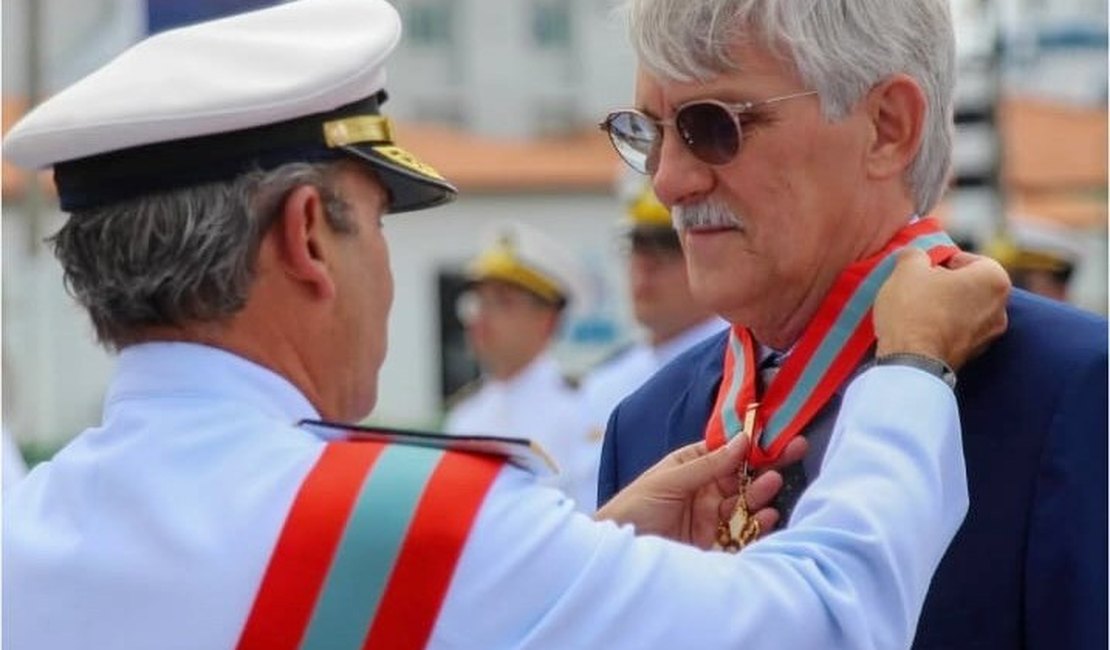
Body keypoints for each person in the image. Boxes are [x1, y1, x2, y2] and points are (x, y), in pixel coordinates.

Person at [1, 1, 1009, 648]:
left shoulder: (29, 536)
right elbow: (828, 621)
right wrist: (912, 365)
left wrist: (586, 552)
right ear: (310, 236)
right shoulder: (405, 521)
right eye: (379, 225)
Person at [595, 1, 1108, 648]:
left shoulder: (1075, 391)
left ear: (887, 128)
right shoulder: (646, 423)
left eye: (713, 126)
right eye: (651, 132)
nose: (668, 182)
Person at [444, 222, 597, 511]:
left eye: (503, 302)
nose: (482, 316)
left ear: (547, 321)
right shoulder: (463, 416)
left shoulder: (582, 410)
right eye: (479, 301)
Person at [581, 182, 724, 447]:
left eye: (667, 246)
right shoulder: (604, 381)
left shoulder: (737, 366)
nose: (645, 265)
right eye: (637, 245)